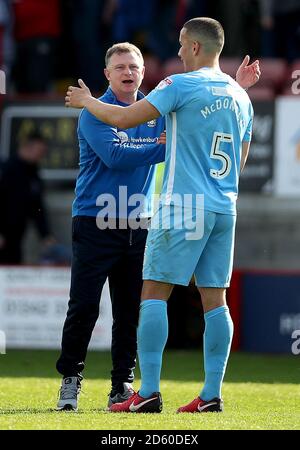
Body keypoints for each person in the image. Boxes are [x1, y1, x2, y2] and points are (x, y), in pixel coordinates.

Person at [65, 17, 259, 414]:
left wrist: (86, 102)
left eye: (181, 45)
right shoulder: (241, 96)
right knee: (215, 301)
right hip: (225, 206)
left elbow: (121, 119)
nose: (177, 52)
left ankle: (148, 391)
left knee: (153, 293)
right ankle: (211, 395)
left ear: (192, 47)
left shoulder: (178, 85)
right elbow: (239, 160)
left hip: (183, 205)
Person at [56, 42, 166, 411]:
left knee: (129, 312)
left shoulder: (156, 111)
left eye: (133, 66)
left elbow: (196, 123)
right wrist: (162, 147)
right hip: (94, 222)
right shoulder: (93, 112)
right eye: (119, 67)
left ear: (142, 72)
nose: (127, 72)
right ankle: (70, 379)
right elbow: (116, 157)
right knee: (84, 307)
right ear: (107, 74)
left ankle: (122, 385)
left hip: (139, 224)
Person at [0, 131, 53, 264]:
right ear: (28, 147)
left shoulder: (33, 172)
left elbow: (37, 207)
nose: (41, 156)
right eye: (39, 151)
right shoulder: (7, 170)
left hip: (17, 235)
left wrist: (45, 235)